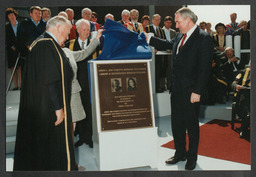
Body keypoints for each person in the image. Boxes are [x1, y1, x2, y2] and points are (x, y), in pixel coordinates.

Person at [146, 7, 213, 170]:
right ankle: (180, 153)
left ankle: (192, 157)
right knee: (176, 124)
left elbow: (205, 69)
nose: (175, 25)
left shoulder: (203, 38)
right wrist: (150, 38)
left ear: (187, 20)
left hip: (191, 92)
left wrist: (197, 91)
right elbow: (169, 44)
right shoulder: (180, 36)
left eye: (177, 21)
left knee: (191, 125)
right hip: (176, 90)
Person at [13, 16, 77, 171]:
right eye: (68, 33)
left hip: (45, 106)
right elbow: (49, 80)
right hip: (49, 109)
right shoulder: (45, 45)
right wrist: (58, 108)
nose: (68, 37)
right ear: (60, 28)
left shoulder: (46, 44)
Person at [65, 19, 99, 148]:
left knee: (90, 111)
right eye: (83, 30)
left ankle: (89, 137)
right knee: (78, 111)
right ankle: (81, 136)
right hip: (76, 84)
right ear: (77, 30)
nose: (86, 32)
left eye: (88, 30)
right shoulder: (69, 45)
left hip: (91, 83)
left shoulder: (96, 44)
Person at [146, 14, 167, 93]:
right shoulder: (148, 28)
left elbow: (164, 41)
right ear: (152, 20)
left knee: (158, 71)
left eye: (159, 20)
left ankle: (157, 87)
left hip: (159, 55)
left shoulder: (161, 30)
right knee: (152, 71)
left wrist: (166, 49)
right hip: (151, 54)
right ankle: (151, 88)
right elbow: (146, 40)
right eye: (156, 19)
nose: (157, 21)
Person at [231, 61, 250, 138]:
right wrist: (236, 86)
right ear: (249, 65)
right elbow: (233, 83)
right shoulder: (242, 72)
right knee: (248, 113)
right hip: (244, 97)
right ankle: (244, 130)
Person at [5, 8, 22, 90]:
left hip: (20, 49)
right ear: (7, 17)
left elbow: (23, 37)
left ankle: (21, 85)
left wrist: (19, 47)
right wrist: (12, 47)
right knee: (13, 67)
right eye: (9, 15)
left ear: (15, 15)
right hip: (11, 50)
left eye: (12, 14)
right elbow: (6, 39)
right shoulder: (6, 27)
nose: (11, 16)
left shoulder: (21, 25)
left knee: (20, 67)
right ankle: (16, 86)